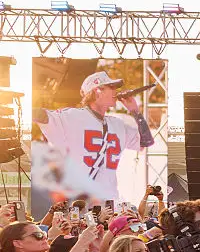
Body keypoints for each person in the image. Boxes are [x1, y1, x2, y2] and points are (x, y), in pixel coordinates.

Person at [33, 71, 155, 202]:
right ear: (97, 91)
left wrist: (134, 111)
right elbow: (40, 116)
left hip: (110, 200)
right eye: (111, 87)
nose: (116, 91)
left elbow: (146, 141)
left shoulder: (118, 124)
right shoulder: (72, 116)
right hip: (79, 200)